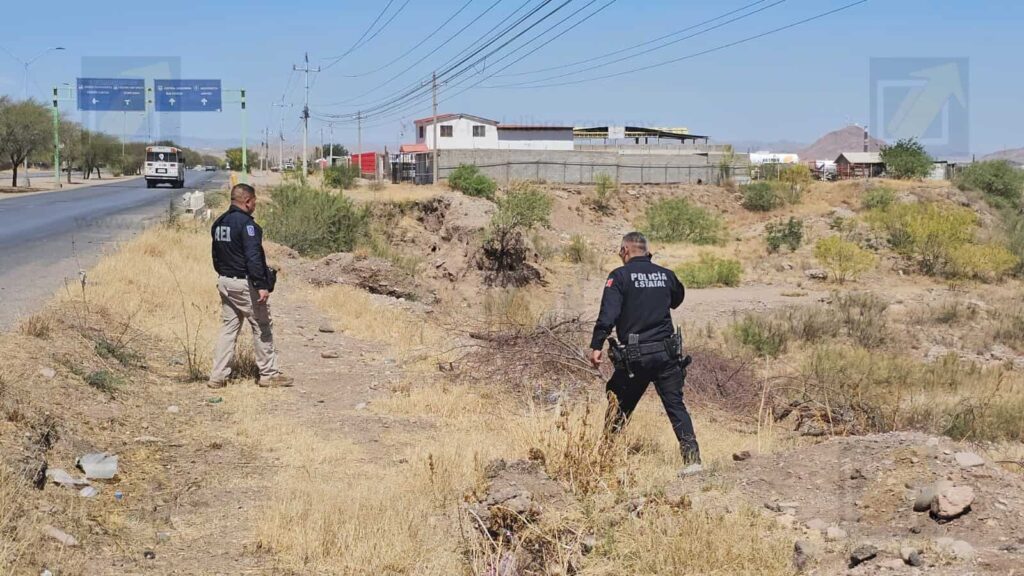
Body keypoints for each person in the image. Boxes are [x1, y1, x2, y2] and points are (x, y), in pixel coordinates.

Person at [589, 232, 701, 473]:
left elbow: (608, 315)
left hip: (635, 358)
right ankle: (692, 460)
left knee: (618, 402)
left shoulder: (619, 277)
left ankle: (603, 458)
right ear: (647, 251)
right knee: (675, 406)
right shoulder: (666, 275)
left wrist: (596, 345)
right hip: (665, 354)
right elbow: (677, 299)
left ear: (624, 251)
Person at [208, 183, 293, 389]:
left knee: (229, 329)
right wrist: (261, 285)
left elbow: (216, 255)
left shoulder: (220, 223)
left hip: (225, 281)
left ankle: (217, 376)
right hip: (244, 284)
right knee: (262, 326)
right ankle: (269, 374)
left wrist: (224, 276)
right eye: (254, 201)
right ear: (247, 201)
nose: (255, 205)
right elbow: (253, 257)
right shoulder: (247, 226)